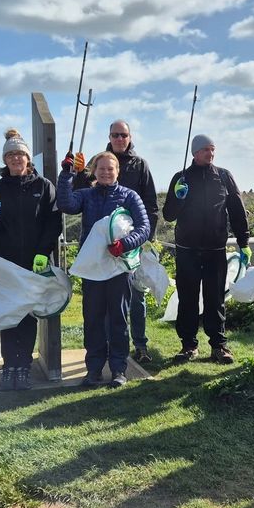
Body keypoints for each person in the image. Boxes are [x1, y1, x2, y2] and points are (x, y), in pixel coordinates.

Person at [58, 150, 151, 387]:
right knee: (93, 319)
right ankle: (94, 369)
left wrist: (124, 244)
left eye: (111, 169)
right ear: (94, 171)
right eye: (101, 169)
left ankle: (119, 369)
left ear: (117, 171)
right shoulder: (87, 195)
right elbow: (66, 203)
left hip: (119, 267)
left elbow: (144, 228)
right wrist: (66, 174)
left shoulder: (130, 196)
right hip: (93, 268)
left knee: (119, 318)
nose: (106, 172)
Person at [161, 135, 250, 365]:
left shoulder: (223, 176)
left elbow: (237, 211)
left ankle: (219, 345)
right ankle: (188, 346)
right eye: (205, 150)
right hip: (187, 250)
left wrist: (244, 242)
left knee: (215, 298)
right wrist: (179, 197)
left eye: (212, 149)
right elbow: (168, 215)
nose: (210, 154)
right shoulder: (181, 178)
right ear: (194, 153)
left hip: (215, 249)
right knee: (187, 298)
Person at [0, 129, 62, 391]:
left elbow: (53, 223)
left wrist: (43, 251)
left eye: (20, 154)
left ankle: (24, 366)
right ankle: (9, 367)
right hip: (4, 262)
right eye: (11, 155)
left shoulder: (43, 186)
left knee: (28, 315)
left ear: (28, 158)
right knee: (9, 315)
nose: (16, 158)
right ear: (5, 160)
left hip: (34, 261)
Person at [104, 120, 159, 363]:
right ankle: (111, 346)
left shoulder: (140, 165)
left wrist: (145, 239)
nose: (119, 138)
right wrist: (72, 172)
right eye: (115, 135)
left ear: (129, 137)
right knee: (109, 301)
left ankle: (140, 345)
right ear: (109, 136)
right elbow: (80, 193)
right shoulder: (101, 161)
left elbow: (151, 206)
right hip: (105, 245)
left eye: (123, 135)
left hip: (134, 244)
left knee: (137, 298)